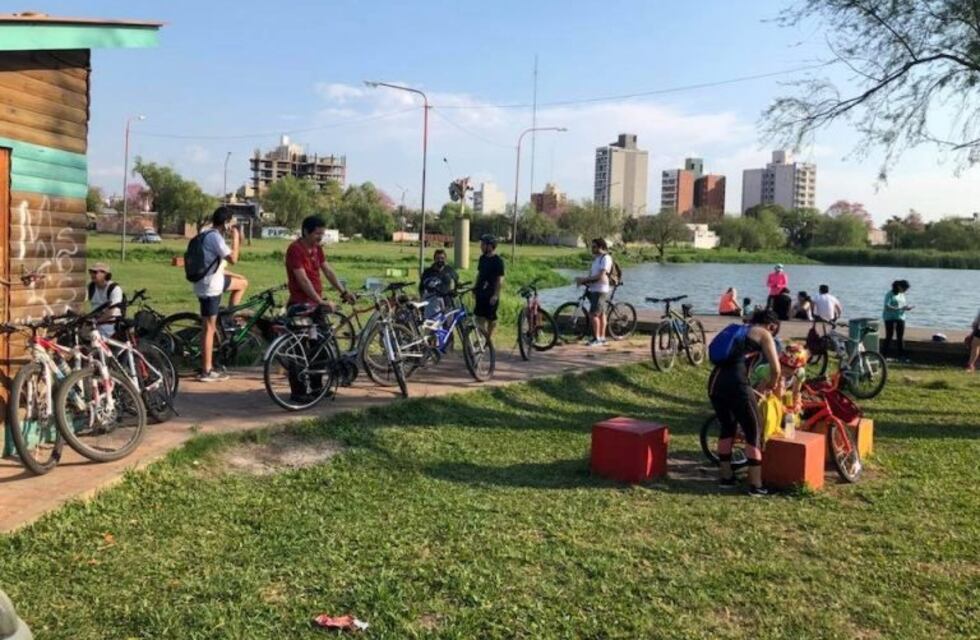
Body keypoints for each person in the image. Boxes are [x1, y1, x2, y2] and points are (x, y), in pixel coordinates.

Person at [708, 309, 782, 497]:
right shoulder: (764, 334)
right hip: (737, 384)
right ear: (772, 326)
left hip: (715, 383)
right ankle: (755, 485)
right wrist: (772, 385)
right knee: (754, 431)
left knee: (727, 427)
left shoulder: (738, 330)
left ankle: (726, 477)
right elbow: (776, 369)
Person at [284, 215, 355, 402]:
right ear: (306, 231)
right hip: (301, 305)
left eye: (322, 234)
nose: (320, 237)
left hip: (315, 306)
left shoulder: (317, 249)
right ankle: (298, 392)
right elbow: (302, 279)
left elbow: (328, 271)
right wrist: (320, 301)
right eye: (317, 233)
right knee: (299, 349)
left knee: (321, 346)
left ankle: (316, 387)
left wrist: (343, 291)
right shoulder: (295, 250)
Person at [194, 206, 249, 382]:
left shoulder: (205, 233)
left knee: (241, 283)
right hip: (211, 287)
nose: (232, 225)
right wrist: (235, 239)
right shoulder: (215, 238)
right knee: (208, 329)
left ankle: (228, 317)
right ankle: (207, 370)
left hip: (205, 283)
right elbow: (233, 259)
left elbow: (217, 265)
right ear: (225, 223)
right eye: (231, 222)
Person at [575, 238, 613, 346]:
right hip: (595, 288)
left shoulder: (606, 258)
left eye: (595, 247)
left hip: (600, 289)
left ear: (601, 247)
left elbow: (601, 276)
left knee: (593, 314)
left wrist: (585, 280)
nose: (592, 249)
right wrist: (584, 280)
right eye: (592, 246)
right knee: (601, 314)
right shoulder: (597, 259)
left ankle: (597, 339)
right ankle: (602, 338)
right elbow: (593, 275)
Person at [474, 234, 504, 340]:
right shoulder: (482, 259)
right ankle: (481, 339)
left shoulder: (498, 261)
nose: (481, 246)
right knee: (478, 317)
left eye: (483, 244)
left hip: (491, 294)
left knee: (491, 319)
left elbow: (500, 279)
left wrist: (496, 295)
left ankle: (488, 338)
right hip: (480, 292)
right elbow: (479, 274)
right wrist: (475, 287)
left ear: (490, 246)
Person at [86, 262, 124, 339]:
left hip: (111, 326)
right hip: (95, 325)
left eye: (95, 272)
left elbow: (112, 312)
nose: (92, 275)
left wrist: (97, 321)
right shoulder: (91, 287)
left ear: (105, 274)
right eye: (91, 272)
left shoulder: (114, 289)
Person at [419, 248, 459, 318]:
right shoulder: (428, 272)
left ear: (445, 259)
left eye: (442, 258)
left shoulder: (450, 270)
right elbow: (421, 288)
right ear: (434, 259)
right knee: (434, 326)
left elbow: (456, 281)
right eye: (438, 258)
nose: (440, 260)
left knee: (448, 327)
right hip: (432, 305)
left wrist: (454, 291)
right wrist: (423, 301)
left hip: (447, 303)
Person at [882, 280, 913, 360]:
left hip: (900, 317)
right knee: (889, 336)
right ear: (899, 286)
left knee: (900, 337)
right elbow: (887, 306)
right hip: (889, 318)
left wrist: (907, 307)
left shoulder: (902, 294)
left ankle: (901, 356)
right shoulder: (889, 294)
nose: (905, 291)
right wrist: (898, 308)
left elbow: (903, 305)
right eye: (905, 289)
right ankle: (883, 356)